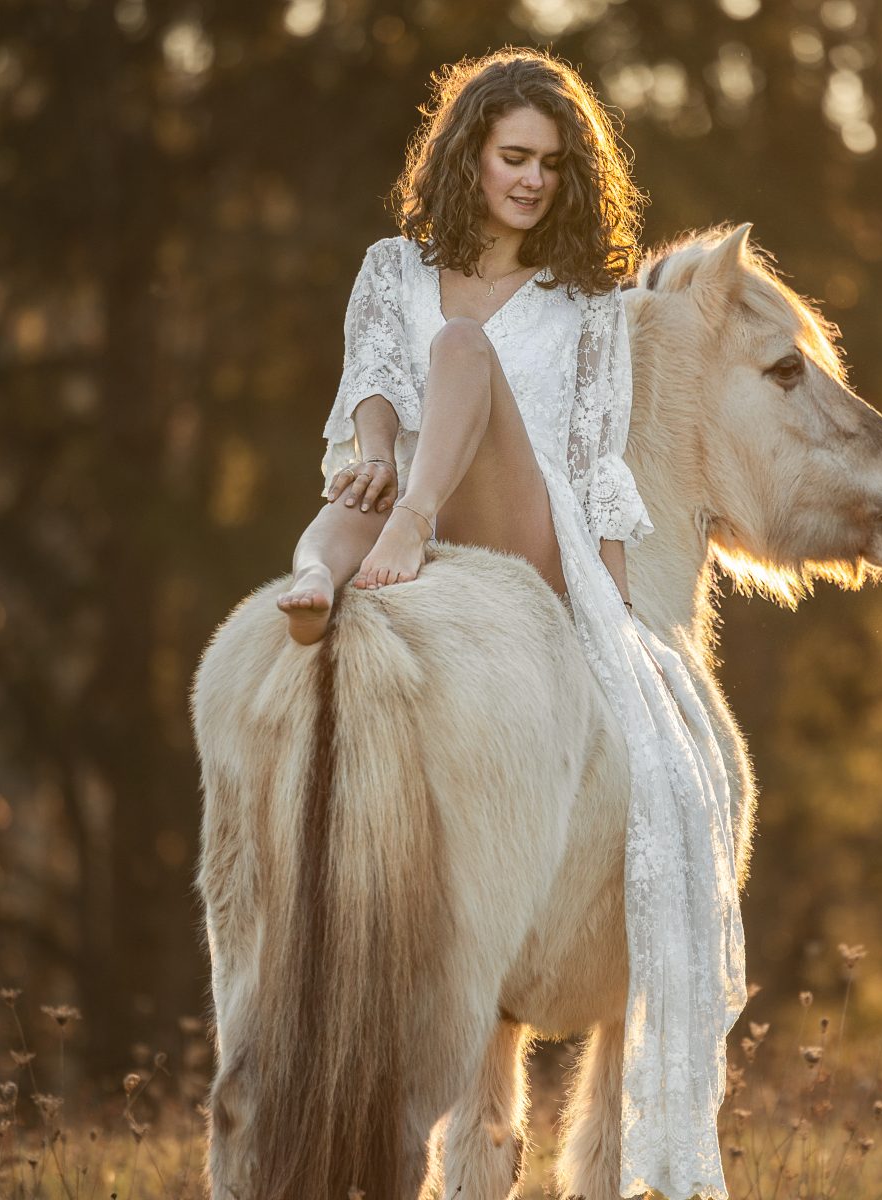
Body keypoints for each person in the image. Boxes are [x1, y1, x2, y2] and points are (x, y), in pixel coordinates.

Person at [279, 49, 746, 1199]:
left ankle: (397, 532)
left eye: (551, 164)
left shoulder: (583, 306)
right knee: (367, 470)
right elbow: (368, 383)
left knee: (462, 350)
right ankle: (318, 578)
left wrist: (622, 616)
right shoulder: (392, 267)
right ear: (468, 158)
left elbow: (593, 462)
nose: (533, 181)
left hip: (520, 531)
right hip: (404, 493)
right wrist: (376, 455)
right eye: (514, 158)